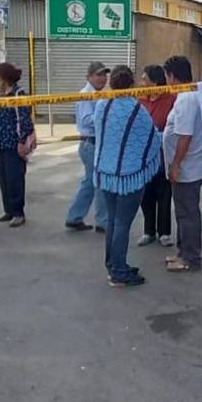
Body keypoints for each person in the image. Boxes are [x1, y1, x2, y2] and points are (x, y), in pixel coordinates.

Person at [93, 66, 161, 288]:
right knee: (122, 223)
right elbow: (152, 139)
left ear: (111, 82)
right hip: (129, 176)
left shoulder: (103, 104)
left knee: (113, 221)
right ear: (131, 84)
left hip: (106, 173)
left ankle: (113, 265)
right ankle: (119, 271)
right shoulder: (136, 109)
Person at [162, 55, 202, 273]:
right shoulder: (188, 95)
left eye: (167, 77)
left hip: (188, 167)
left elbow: (185, 136)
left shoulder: (187, 99)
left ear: (172, 76)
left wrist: (176, 164)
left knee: (187, 213)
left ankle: (190, 258)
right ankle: (182, 251)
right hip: (189, 165)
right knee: (183, 211)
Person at [66, 61, 110, 232]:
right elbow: (86, 120)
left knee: (91, 183)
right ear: (89, 77)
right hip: (90, 143)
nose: (103, 78)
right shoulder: (86, 95)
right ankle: (102, 221)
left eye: (104, 74)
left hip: (95, 143)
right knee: (98, 182)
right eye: (98, 75)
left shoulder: (101, 94)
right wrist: (104, 117)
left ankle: (74, 217)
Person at [0, 62, 35, 227]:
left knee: (15, 178)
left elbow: (24, 119)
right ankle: (8, 210)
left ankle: (18, 212)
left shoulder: (19, 94)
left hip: (13, 143)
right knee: (3, 179)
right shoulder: (1, 95)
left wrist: (22, 141)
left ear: (4, 78)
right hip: (0, 143)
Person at [137, 64, 175, 247]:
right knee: (146, 193)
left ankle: (164, 232)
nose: (141, 82)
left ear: (155, 81)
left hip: (163, 151)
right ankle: (148, 231)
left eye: (145, 79)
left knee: (164, 192)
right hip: (143, 154)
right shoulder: (140, 99)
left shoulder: (171, 98)